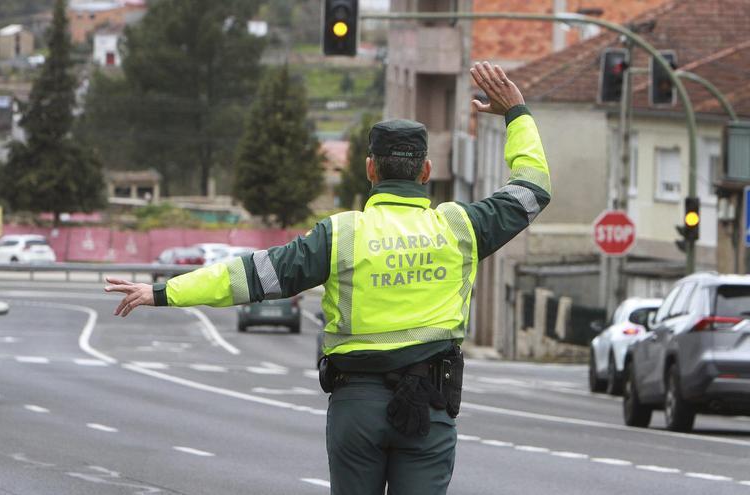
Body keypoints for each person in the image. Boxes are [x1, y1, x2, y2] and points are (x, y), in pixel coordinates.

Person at [105, 61, 550, 495]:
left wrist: (163, 291)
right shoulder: (461, 227)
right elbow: (532, 189)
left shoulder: (340, 234)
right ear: (426, 172)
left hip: (356, 408)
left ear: (370, 169)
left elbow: (253, 276)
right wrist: (517, 113)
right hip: (428, 407)